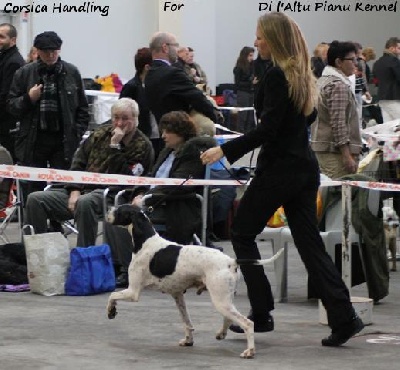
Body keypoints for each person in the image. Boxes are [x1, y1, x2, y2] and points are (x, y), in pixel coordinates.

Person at [200, 12, 364, 347]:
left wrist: (224, 150)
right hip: (304, 168)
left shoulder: (278, 77)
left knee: (243, 233)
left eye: (260, 36)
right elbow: (303, 119)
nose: (256, 41)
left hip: (280, 170)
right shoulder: (301, 74)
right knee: (310, 245)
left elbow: (268, 129)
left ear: (273, 39)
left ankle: (261, 313)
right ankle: (345, 317)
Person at [24, 98, 154, 248]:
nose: (119, 123)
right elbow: (78, 163)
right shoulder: (99, 134)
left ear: (135, 119)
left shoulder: (143, 145)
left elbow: (127, 178)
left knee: (85, 203)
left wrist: (115, 146)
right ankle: (37, 252)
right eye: (116, 118)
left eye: (125, 119)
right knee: (35, 199)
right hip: (82, 188)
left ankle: (85, 256)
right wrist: (74, 190)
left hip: (112, 193)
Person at [106, 110, 216, 287]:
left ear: (180, 132)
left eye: (167, 132)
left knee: (121, 220)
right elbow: (151, 177)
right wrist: (140, 192)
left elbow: (178, 185)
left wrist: (147, 199)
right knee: (112, 215)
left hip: (176, 206)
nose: (163, 136)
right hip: (154, 201)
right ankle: (118, 266)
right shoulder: (167, 152)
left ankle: (128, 271)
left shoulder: (192, 152)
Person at [7, 31, 89, 198]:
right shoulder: (24, 73)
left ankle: (57, 222)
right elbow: (11, 106)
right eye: (46, 52)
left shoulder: (72, 72)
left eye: (55, 51)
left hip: (63, 139)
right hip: (34, 139)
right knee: (33, 187)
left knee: (61, 185)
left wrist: (76, 132)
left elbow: (82, 108)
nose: (51, 55)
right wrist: (28, 98)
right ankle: (34, 222)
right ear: (37, 51)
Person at [310, 41, 362, 180]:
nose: (356, 63)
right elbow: (338, 122)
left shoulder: (323, 80)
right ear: (339, 62)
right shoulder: (337, 86)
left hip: (324, 148)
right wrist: (346, 155)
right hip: (335, 153)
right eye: (352, 59)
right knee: (337, 198)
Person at [145, 32, 217, 126]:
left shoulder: (149, 75)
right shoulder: (172, 73)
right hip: (180, 131)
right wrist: (214, 116)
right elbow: (197, 97)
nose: (177, 50)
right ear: (165, 48)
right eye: (176, 45)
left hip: (163, 130)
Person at [119, 47, 160, 155]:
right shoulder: (131, 87)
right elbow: (122, 112)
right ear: (147, 67)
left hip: (156, 137)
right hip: (139, 138)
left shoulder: (154, 85)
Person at [0, 23, 25, 161]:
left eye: (2, 37)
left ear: (13, 40)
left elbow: (5, 95)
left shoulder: (13, 62)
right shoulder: (5, 58)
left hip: (6, 123)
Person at [372, 37, 400, 122]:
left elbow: (375, 80)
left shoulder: (377, 62)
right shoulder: (394, 61)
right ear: (392, 48)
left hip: (381, 97)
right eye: (399, 48)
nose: (399, 51)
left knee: (388, 125)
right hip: (393, 97)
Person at [233, 46, 256, 133]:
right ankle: (240, 133)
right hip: (243, 93)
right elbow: (237, 84)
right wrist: (251, 82)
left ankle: (249, 133)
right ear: (245, 56)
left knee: (250, 116)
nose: (251, 58)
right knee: (243, 116)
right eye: (250, 56)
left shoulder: (252, 66)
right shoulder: (238, 68)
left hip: (251, 92)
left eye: (252, 56)